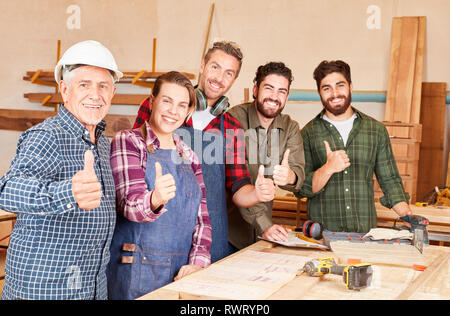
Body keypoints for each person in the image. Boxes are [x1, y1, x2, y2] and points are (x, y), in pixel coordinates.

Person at [0, 40, 121, 299]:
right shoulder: (47, 135)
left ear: (113, 92)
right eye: (84, 85)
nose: (95, 94)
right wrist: (68, 192)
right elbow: (7, 190)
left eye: (103, 86)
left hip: (90, 287)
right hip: (45, 290)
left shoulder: (102, 143)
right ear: (65, 90)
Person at [133, 41, 275, 262]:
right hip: (159, 229)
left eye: (229, 73)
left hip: (209, 238)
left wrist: (257, 194)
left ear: (234, 80)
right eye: (215, 67)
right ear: (202, 65)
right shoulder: (160, 108)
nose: (220, 78)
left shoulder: (231, 128)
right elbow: (134, 163)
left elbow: (238, 186)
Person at [107, 71, 213, 300]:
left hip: (180, 275)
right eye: (167, 101)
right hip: (135, 273)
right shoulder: (128, 141)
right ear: (152, 101)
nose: (173, 111)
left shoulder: (190, 156)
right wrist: (154, 199)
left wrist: (197, 263)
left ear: (187, 112)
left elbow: (202, 220)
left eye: (182, 105)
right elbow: (129, 205)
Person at [295, 60, 412, 233]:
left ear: (350, 86)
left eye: (340, 85)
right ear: (319, 92)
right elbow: (301, 188)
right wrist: (328, 168)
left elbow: (390, 181)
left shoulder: (375, 130)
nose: (334, 93)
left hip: (364, 234)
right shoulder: (307, 134)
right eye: (326, 88)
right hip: (322, 236)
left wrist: (407, 215)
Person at [227, 62, 305, 249]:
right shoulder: (234, 119)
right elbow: (236, 182)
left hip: (261, 236)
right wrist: (265, 225)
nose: (274, 97)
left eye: (281, 91)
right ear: (255, 89)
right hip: (229, 235)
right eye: (268, 88)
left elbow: (297, 177)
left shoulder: (290, 127)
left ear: (287, 96)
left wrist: (290, 176)